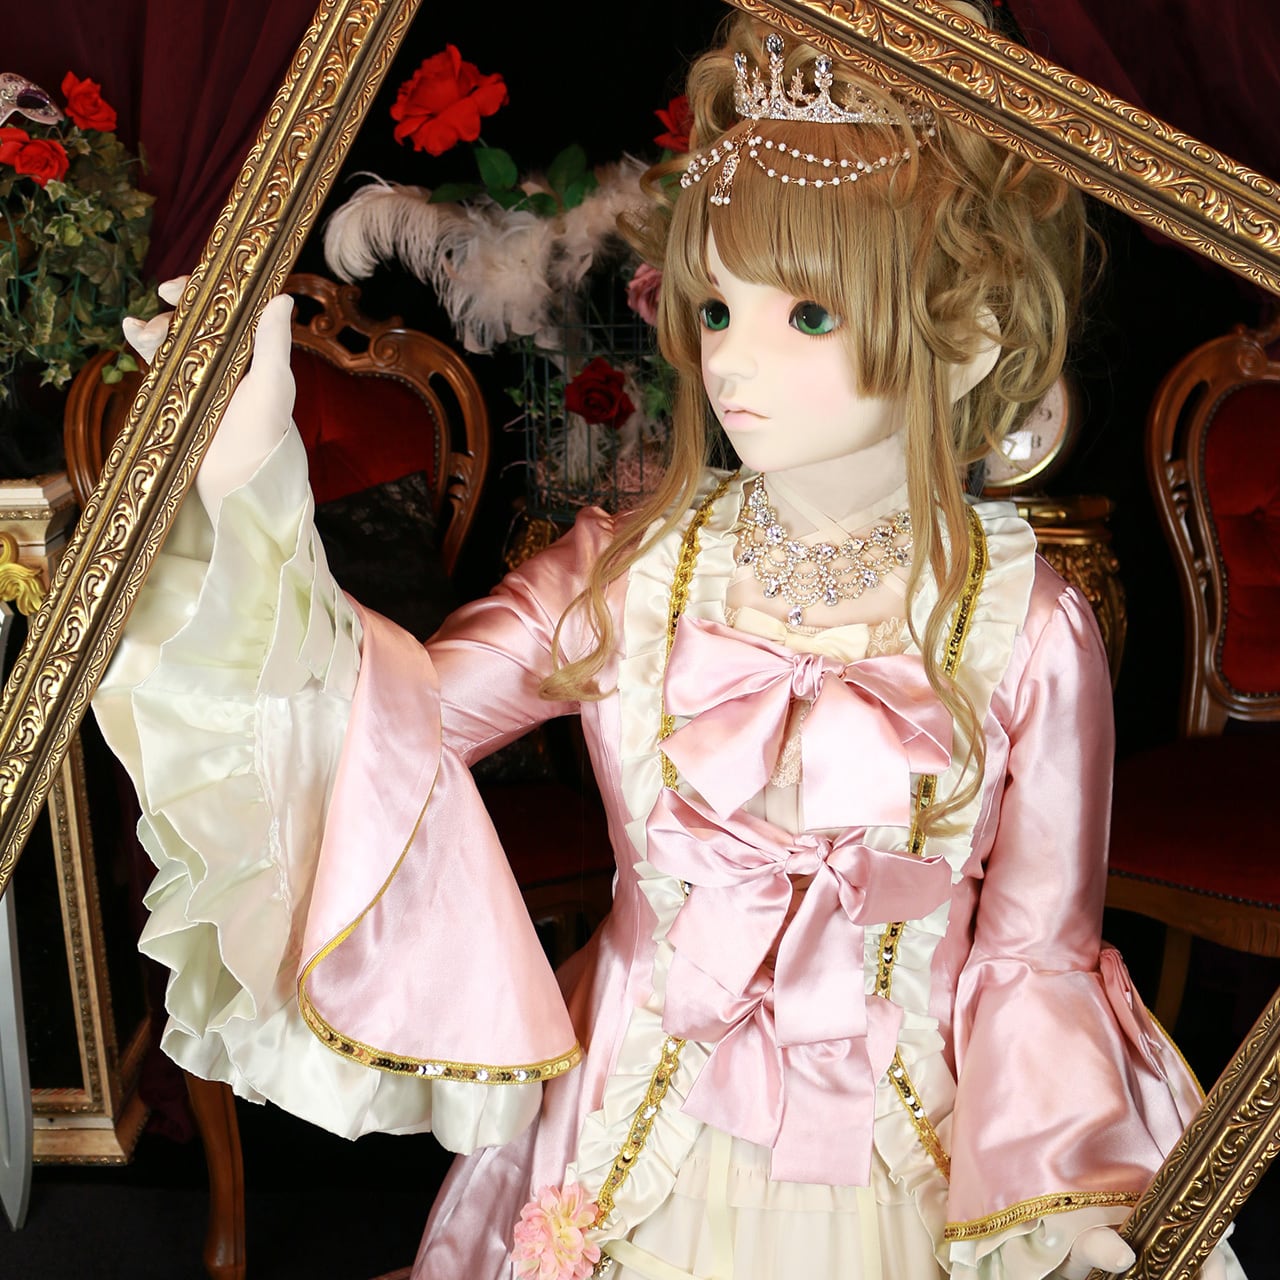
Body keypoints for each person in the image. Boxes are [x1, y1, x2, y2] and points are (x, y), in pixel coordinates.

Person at [95, 10, 1243, 1279]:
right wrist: (251, 479)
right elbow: (381, 713)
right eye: (714, 307)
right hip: (628, 1131)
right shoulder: (626, 573)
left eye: (807, 315)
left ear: (960, 337)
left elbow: (1035, 950)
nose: (731, 360)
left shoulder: (1025, 619)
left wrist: (1057, 1194)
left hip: (913, 1154)